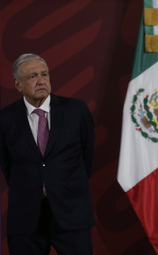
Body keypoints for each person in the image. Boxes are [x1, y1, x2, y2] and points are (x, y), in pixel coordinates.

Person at [0, 53, 95, 255]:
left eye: (45, 74)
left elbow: (86, 157)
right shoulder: (5, 120)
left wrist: (62, 184)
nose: (41, 80)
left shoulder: (76, 111)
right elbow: (7, 165)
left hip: (71, 213)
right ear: (18, 84)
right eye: (33, 76)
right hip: (25, 218)